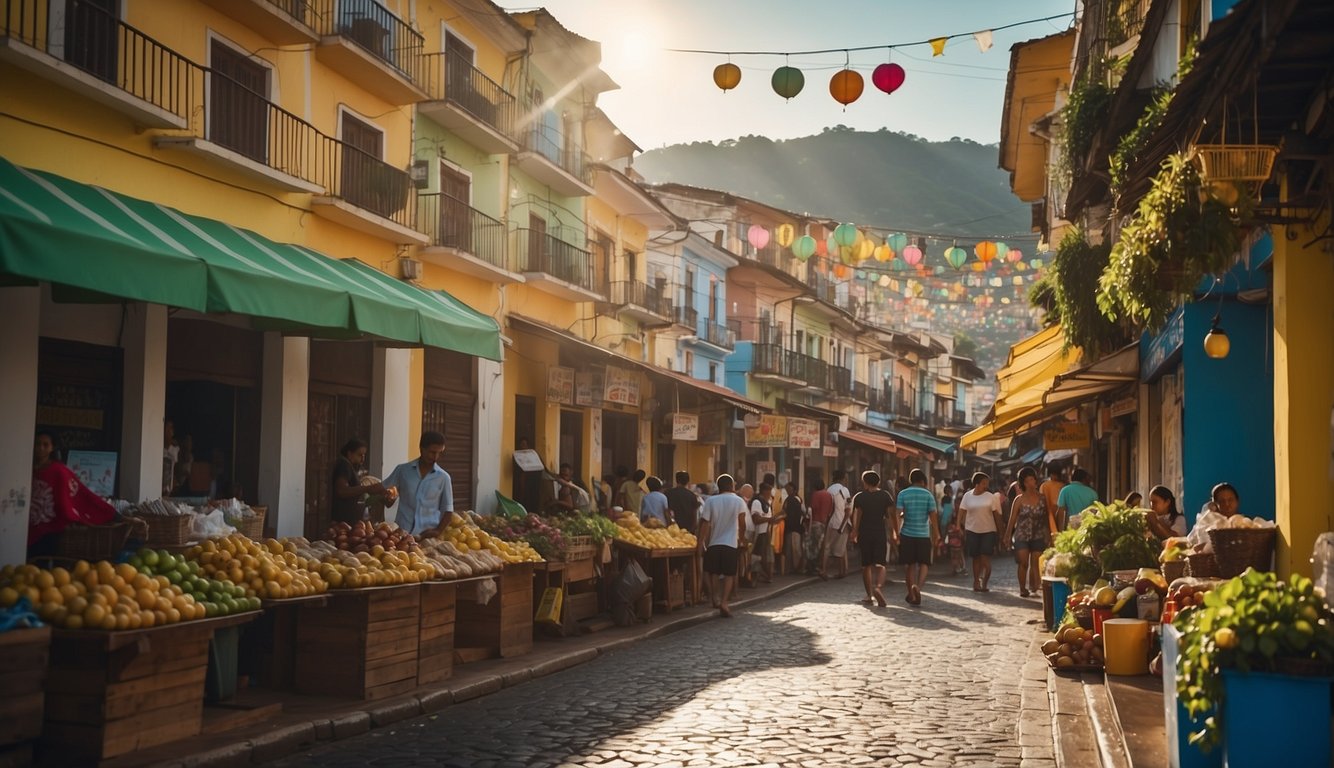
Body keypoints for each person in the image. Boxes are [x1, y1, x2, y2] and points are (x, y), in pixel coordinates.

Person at [29, 432, 116, 554]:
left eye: (45, 445)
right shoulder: (24, 468)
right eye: (38, 444)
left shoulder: (59, 471)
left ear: (52, 448)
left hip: (50, 529)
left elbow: (80, 493)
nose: (41, 448)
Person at [382, 431, 453, 536]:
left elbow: (448, 511)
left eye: (440, 453)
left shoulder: (444, 478)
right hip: (401, 534)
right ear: (421, 449)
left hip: (427, 536)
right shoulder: (402, 470)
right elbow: (384, 494)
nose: (436, 457)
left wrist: (437, 531)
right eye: (432, 452)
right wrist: (388, 498)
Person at [698, 474, 748, 618]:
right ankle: (725, 602)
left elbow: (705, 523)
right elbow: (742, 522)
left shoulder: (711, 501)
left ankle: (715, 597)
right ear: (732, 486)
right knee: (729, 574)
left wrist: (700, 542)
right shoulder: (739, 501)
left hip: (714, 542)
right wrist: (742, 538)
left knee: (712, 572)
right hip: (730, 542)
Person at [895, 468, 939, 606]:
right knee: (924, 563)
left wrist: (896, 532)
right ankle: (918, 587)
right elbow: (933, 516)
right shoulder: (928, 495)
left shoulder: (903, 494)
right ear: (922, 480)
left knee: (910, 565)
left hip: (907, 533)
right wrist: (937, 534)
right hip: (923, 534)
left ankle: (912, 593)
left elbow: (898, 514)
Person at [1002, 466, 1047, 598]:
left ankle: (1034, 585)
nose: (1030, 483)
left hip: (1038, 535)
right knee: (1023, 563)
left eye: (1032, 480)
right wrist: (1007, 536)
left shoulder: (1042, 498)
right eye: (1027, 481)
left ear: (1035, 480)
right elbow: (1012, 519)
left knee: (1035, 562)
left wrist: (1048, 533)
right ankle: (1022, 588)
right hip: (1021, 535)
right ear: (1023, 483)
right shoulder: (1019, 500)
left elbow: (1046, 517)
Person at [851, 470, 893, 607]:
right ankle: (878, 587)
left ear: (865, 482)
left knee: (866, 565)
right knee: (881, 564)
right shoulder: (885, 496)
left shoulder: (860, 497)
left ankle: (869, 595)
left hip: (865, 534)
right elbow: (889, 517)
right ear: (878, 482)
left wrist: (854, 532)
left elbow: (858, 516)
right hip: (880, 533)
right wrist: (894, 532)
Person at [959, 471, 1004, 592]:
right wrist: (959, 526)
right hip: (972, 530)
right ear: (977, 484)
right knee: (976, 558)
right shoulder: (967, 496)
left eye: (987, 483)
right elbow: (961, 511)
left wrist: (1001, 532)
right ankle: (976, 581)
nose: (986, 486)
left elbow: (997, 516)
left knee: (985, 558)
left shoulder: (991, 497)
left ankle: (985, 582)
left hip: (988, 531)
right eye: (984, 483)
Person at [331, 438, 390, 524]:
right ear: (350, 454)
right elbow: (341, 491)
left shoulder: (349, 466)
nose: (362, 459)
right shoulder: (344, 466)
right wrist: (366, 488)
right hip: (343, 522)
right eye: (359, 455)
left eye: (364, 455)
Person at [1186, 482, 1242, 550]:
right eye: (1222, 501)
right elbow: (1191, 541)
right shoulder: (1208, 523)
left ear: (1237, 501)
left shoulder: (1245, 525)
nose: (1227, 504)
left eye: (1230, 500)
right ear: (1215, 504)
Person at [820, 469, 853, 579]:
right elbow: (848, 510)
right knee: (842, 548)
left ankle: (824, 570)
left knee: (827, 547)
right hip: (842, 523)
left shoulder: (829, 490)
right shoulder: (845, 490)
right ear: (843, 478)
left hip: (831, 522)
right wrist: (843, 525)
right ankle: (842, 571)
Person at [749, 482, 776, 584]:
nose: (770, 493)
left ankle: (765, 576)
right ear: (764, 491)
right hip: (759, 533)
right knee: (758, 556)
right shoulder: (757, 502)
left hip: (766, 532)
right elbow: (756, 519)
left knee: (764, 556)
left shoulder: (766, 503)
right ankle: (755, 578)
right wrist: (769, 519)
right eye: (769, 491)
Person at [806, 478, 832, 575]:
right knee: (820, 545)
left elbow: (813, 508)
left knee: (813, 546)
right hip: (824, 523)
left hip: (815, 522)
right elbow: (830, 510)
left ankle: (812, 567)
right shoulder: (828, 495)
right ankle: (818, 565)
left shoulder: (816, 494)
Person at [782, 481, 806, 574]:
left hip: (794, 527)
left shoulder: (794, 499)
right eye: (787, 489)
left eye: (789, 489)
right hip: (791, 528)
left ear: (794, 490)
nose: (788, 490)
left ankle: (797, 567)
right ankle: (793, 568)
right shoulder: (791, 499)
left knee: (795, 549)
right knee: (791, 549)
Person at [1040, 464, 1067, 534]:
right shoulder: (1063, 486)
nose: (1054, 476)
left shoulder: (1044, 485)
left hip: (1050, 514)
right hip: (1058, 514)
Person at [944, 491, 966, 576]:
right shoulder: (953, 514)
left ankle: (961, 567)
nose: (958, 505)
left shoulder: (963, 513)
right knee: (955, 554)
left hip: (959, 536)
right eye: (957, 503)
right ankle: (957, 568)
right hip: (954, 537)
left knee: (959, 553)